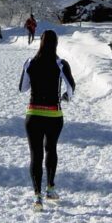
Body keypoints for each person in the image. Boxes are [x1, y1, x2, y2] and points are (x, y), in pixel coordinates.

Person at [18, 29, 75, 211]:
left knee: (35, 154)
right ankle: (50, 188)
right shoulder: (60, 63)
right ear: (56, 43)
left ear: (40, 42)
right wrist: (66, 96)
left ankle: (37, 196)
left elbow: (22, 88)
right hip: (53, 115)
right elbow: (71, 87)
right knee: (51, 150)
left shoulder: (30, 62)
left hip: (33, 114)